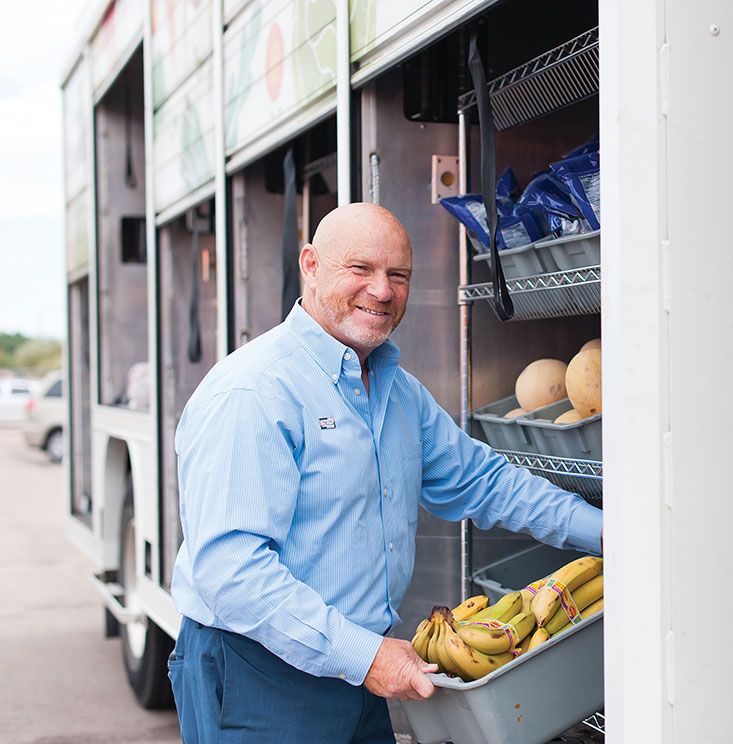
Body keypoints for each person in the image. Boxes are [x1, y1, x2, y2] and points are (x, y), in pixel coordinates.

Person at [167, 202, 603, 743]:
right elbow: (231, 572)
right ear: (310, 264)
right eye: (361, 269)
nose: (382, 290)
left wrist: (610, 534)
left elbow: (487, 483)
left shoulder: (398, 394)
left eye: (398, 275)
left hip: (357, 672)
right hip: (260, 671)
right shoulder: (255, 390)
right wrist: (365, 655)